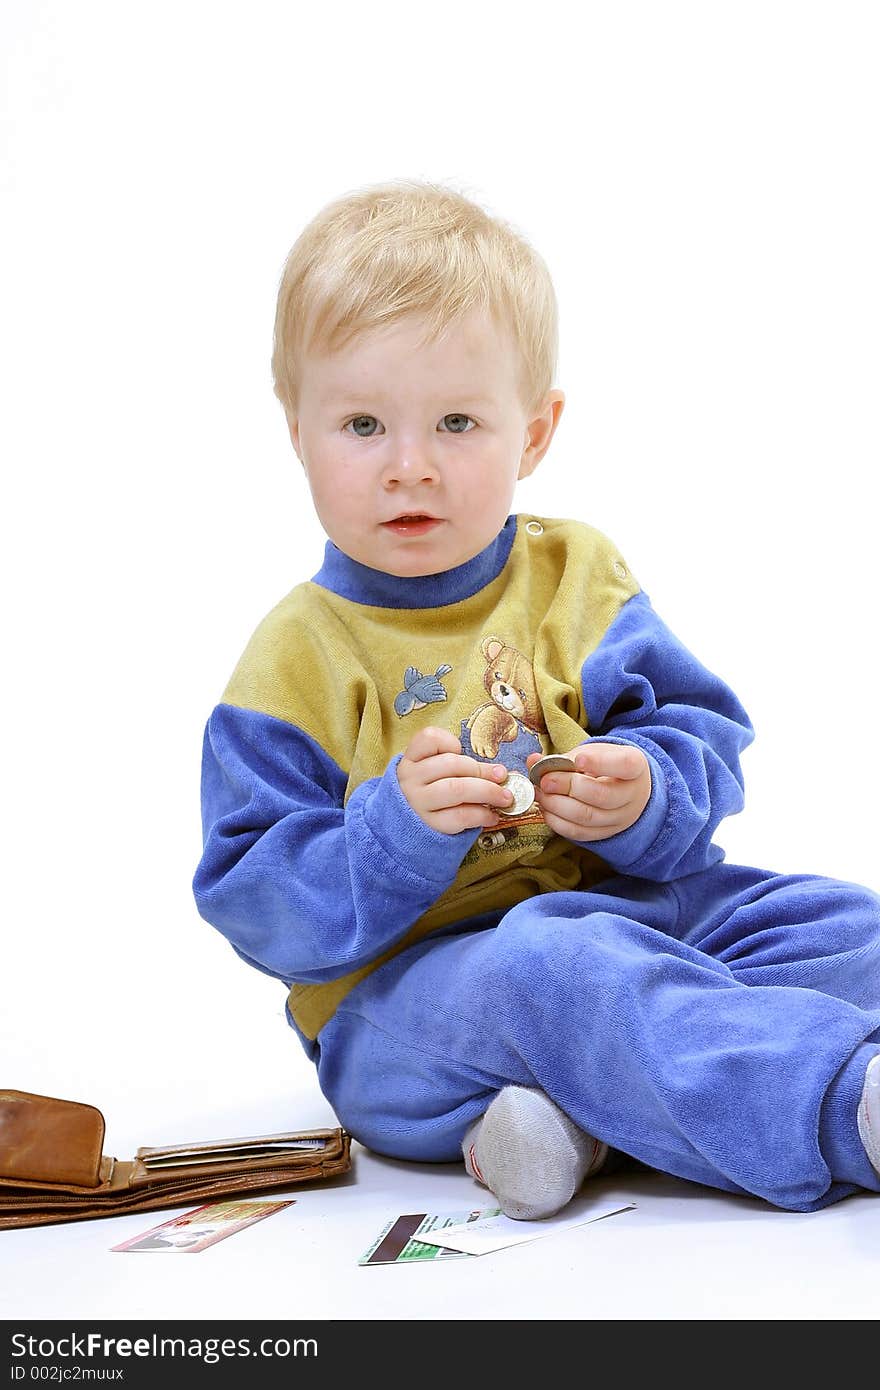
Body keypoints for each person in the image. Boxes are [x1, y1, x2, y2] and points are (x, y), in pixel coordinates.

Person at [192, 178, 880, 1219]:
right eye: (363, 424)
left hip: (636, 912)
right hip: (412, 1002)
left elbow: (700, 734)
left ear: (536, 431)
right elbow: (252, 894)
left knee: (840, 925)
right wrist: (393, 831)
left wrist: (644, 791)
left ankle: (577, 1119)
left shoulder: (578, 575)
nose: (408, 468)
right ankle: (839, 1106)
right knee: (560, 967)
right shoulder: (295, 655)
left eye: (457, 421)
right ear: (297, 429)